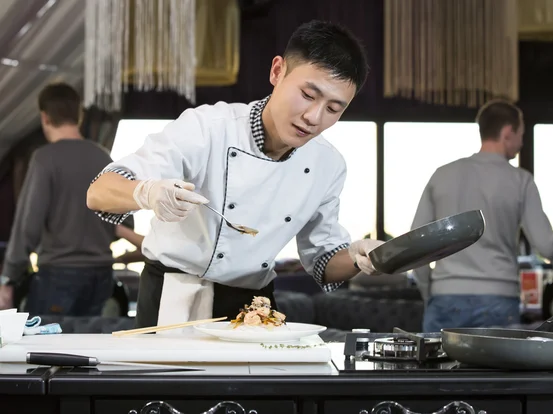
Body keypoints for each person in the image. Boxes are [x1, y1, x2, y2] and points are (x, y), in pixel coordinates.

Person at [87, 20, 385, 329]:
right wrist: (146, 192)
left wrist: (363, 259)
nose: (314, 117)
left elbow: (323, 261)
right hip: (175, 298)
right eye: (308, 95)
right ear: (277, 71)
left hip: (253, 308)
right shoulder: (207, 128)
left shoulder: (328, 164)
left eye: (334, 108)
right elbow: (99, 192)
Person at [410, 99, 553, 332]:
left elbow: (416, 244)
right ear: (508, 133)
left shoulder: (442, 175)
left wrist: (430, 293)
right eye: (521, 133)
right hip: (498, 299)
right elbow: (546, 245)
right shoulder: (520, 180)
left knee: (437, 369)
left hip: (445, 298)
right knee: (495, 370)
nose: (522, 142)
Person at [0, 82, 138, 316]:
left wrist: (9, 277)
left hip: (58, 274)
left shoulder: (45, 158)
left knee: (47, 347)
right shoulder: (103, 157)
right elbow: (124, 222)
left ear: (44, 118)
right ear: (79, 116)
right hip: (102, 276)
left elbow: (28, 225)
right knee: (89, 348)